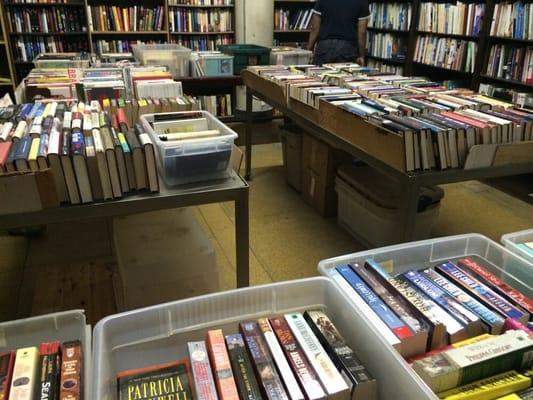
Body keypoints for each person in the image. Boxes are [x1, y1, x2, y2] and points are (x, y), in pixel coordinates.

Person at [307, 0, 370, 66]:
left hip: (324, 46)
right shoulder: (362, 2)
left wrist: (309, 50)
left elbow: (315, 29)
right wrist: (361, 56)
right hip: (347, 48)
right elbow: (362, 32)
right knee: (344, 75)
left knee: (319, 75)